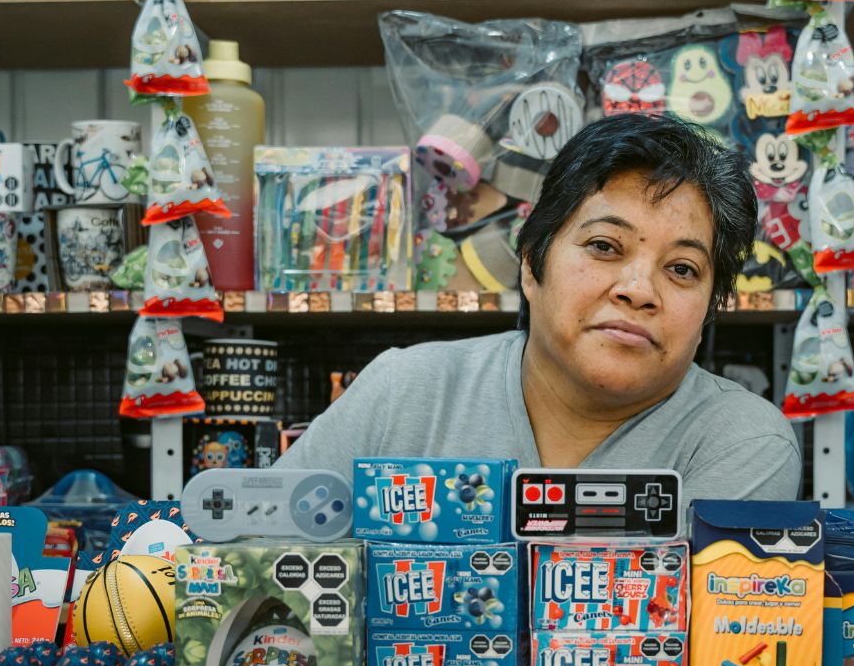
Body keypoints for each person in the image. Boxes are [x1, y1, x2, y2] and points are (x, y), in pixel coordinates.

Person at [278, 113, 801, 508]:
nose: (639, 290)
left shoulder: (741, 441)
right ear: (531, 264)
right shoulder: (405, 393)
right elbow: (256, 568)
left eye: (683, 269)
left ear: (710, 309)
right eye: (604, 246)